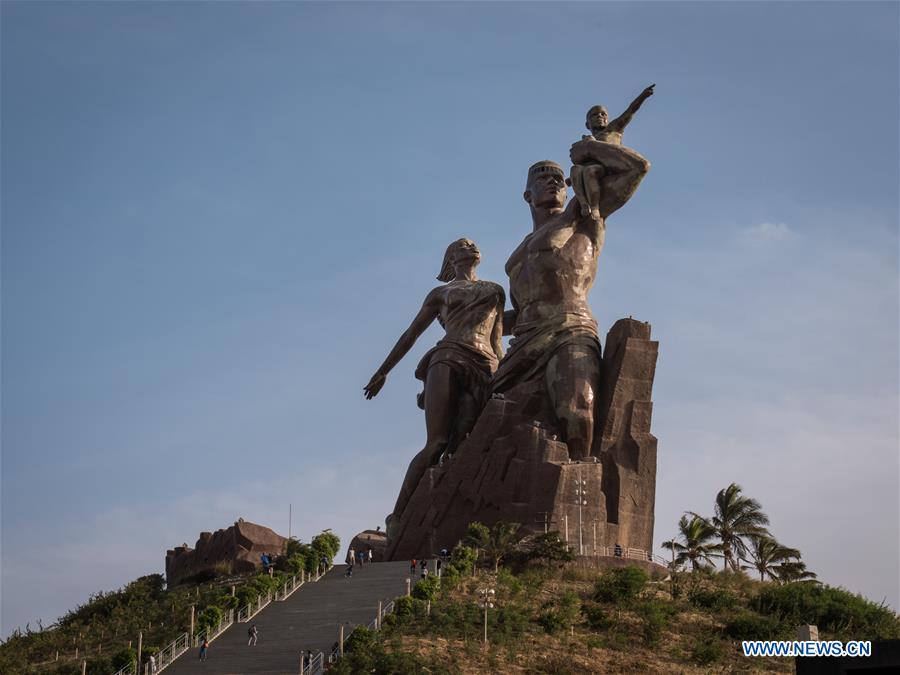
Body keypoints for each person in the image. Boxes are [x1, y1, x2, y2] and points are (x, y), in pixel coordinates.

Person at [493, 146, 649, 461]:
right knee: (484, 421)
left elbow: (637, 168)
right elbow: (521, 312)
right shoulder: (516, 256)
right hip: (523, 343)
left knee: (578, 407)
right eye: (543, 178)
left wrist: (592, 148)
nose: (554, 183)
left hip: (569, 329)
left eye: (560, 179)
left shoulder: (584, 217)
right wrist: (473, 327)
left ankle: (581, 475)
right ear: (527, 194)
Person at [365, 239, 505, 528]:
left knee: (465, 444)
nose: (472, 247)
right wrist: (383, 372)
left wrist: (505, 373)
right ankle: (398, 516)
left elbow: (497, 339)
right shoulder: (441, 293)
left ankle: (452, 515)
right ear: (452, 259)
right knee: (437, 442)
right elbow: (411, 334)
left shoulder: (495, 291)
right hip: (448, 356)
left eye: (474, 244)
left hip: (485, 365)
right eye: (464, 245)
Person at [570, 84, 654, 220]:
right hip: (587, 167)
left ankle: (595, 207)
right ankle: (584, 204)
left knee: (590, 171)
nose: (599, 116)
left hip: (606, 167)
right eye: (594, 115)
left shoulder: (613, 129)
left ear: (608, 119)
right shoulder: (586, 141)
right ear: (587, 124)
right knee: (575, 170)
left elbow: (630, 111)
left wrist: (643, 96)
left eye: (603, 114)